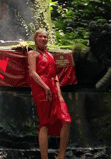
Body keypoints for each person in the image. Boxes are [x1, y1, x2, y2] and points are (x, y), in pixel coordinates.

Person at [28, 29, 71, 159]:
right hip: (41, 88)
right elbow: (32, 73)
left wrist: (59, 92)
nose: (43, 39)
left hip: (53, 88)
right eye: (40, 37)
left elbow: (55, 75)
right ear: (35, 39)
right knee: (44, 122)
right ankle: (44, 157)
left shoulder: (50, 55)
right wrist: (45, 87)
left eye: (45, 37)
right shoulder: (32, 53)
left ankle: (61, 155)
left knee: (66, 120)